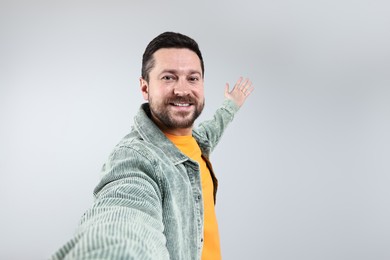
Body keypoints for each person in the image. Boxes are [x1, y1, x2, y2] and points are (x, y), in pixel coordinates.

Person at [51, 31, 253, 260]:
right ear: (145, 88)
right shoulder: (135, 159)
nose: (183, 90)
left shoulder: (197, 141)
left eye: (193, 78)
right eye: (168, 77)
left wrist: (232, 105)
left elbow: (213, 129)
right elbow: (125, 214)